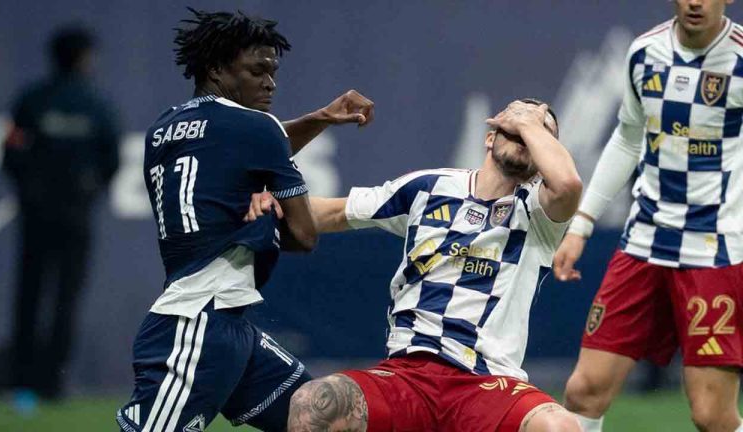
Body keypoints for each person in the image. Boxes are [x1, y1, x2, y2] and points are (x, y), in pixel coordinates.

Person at [249, 99, 583, 431]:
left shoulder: (540, 213)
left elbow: (568, 183)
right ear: (490, 136)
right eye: (513, 129)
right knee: (313, 403)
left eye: (539, 135)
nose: (525, 135)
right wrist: (269, 201)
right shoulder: (430, 186)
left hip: (486, 383)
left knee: (561, 427)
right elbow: (331, 213)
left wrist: (524, 121)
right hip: (407, 376)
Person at [115, 9, 374, 432]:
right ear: (216, 69)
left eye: (273, 71)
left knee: (326, 420)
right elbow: (305, 236)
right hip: (198, 326)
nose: (270, 82)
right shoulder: (256, 129)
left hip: (223, 322)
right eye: (257, 70)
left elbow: (239, 145)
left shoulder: (163, 129)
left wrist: (320, 119)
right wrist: (268, 215)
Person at [553, 1, 743, 431]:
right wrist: (580, 226)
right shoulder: (645, 52)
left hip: (713, 250)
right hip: (643, 243)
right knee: (584, 391)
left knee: (711, 415)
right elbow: (627, 139)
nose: (695, 2)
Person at [2, 26, 120, 403]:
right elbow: (112, 159)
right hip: (75, 217)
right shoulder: (95, 105)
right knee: (65, 299)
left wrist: (31, 191)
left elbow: (11, 154)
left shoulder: (32, 100)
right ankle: (53, 384)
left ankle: (21, 382)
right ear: (84, 58)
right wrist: (88, 191)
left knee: (30, 295)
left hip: (37, 216)